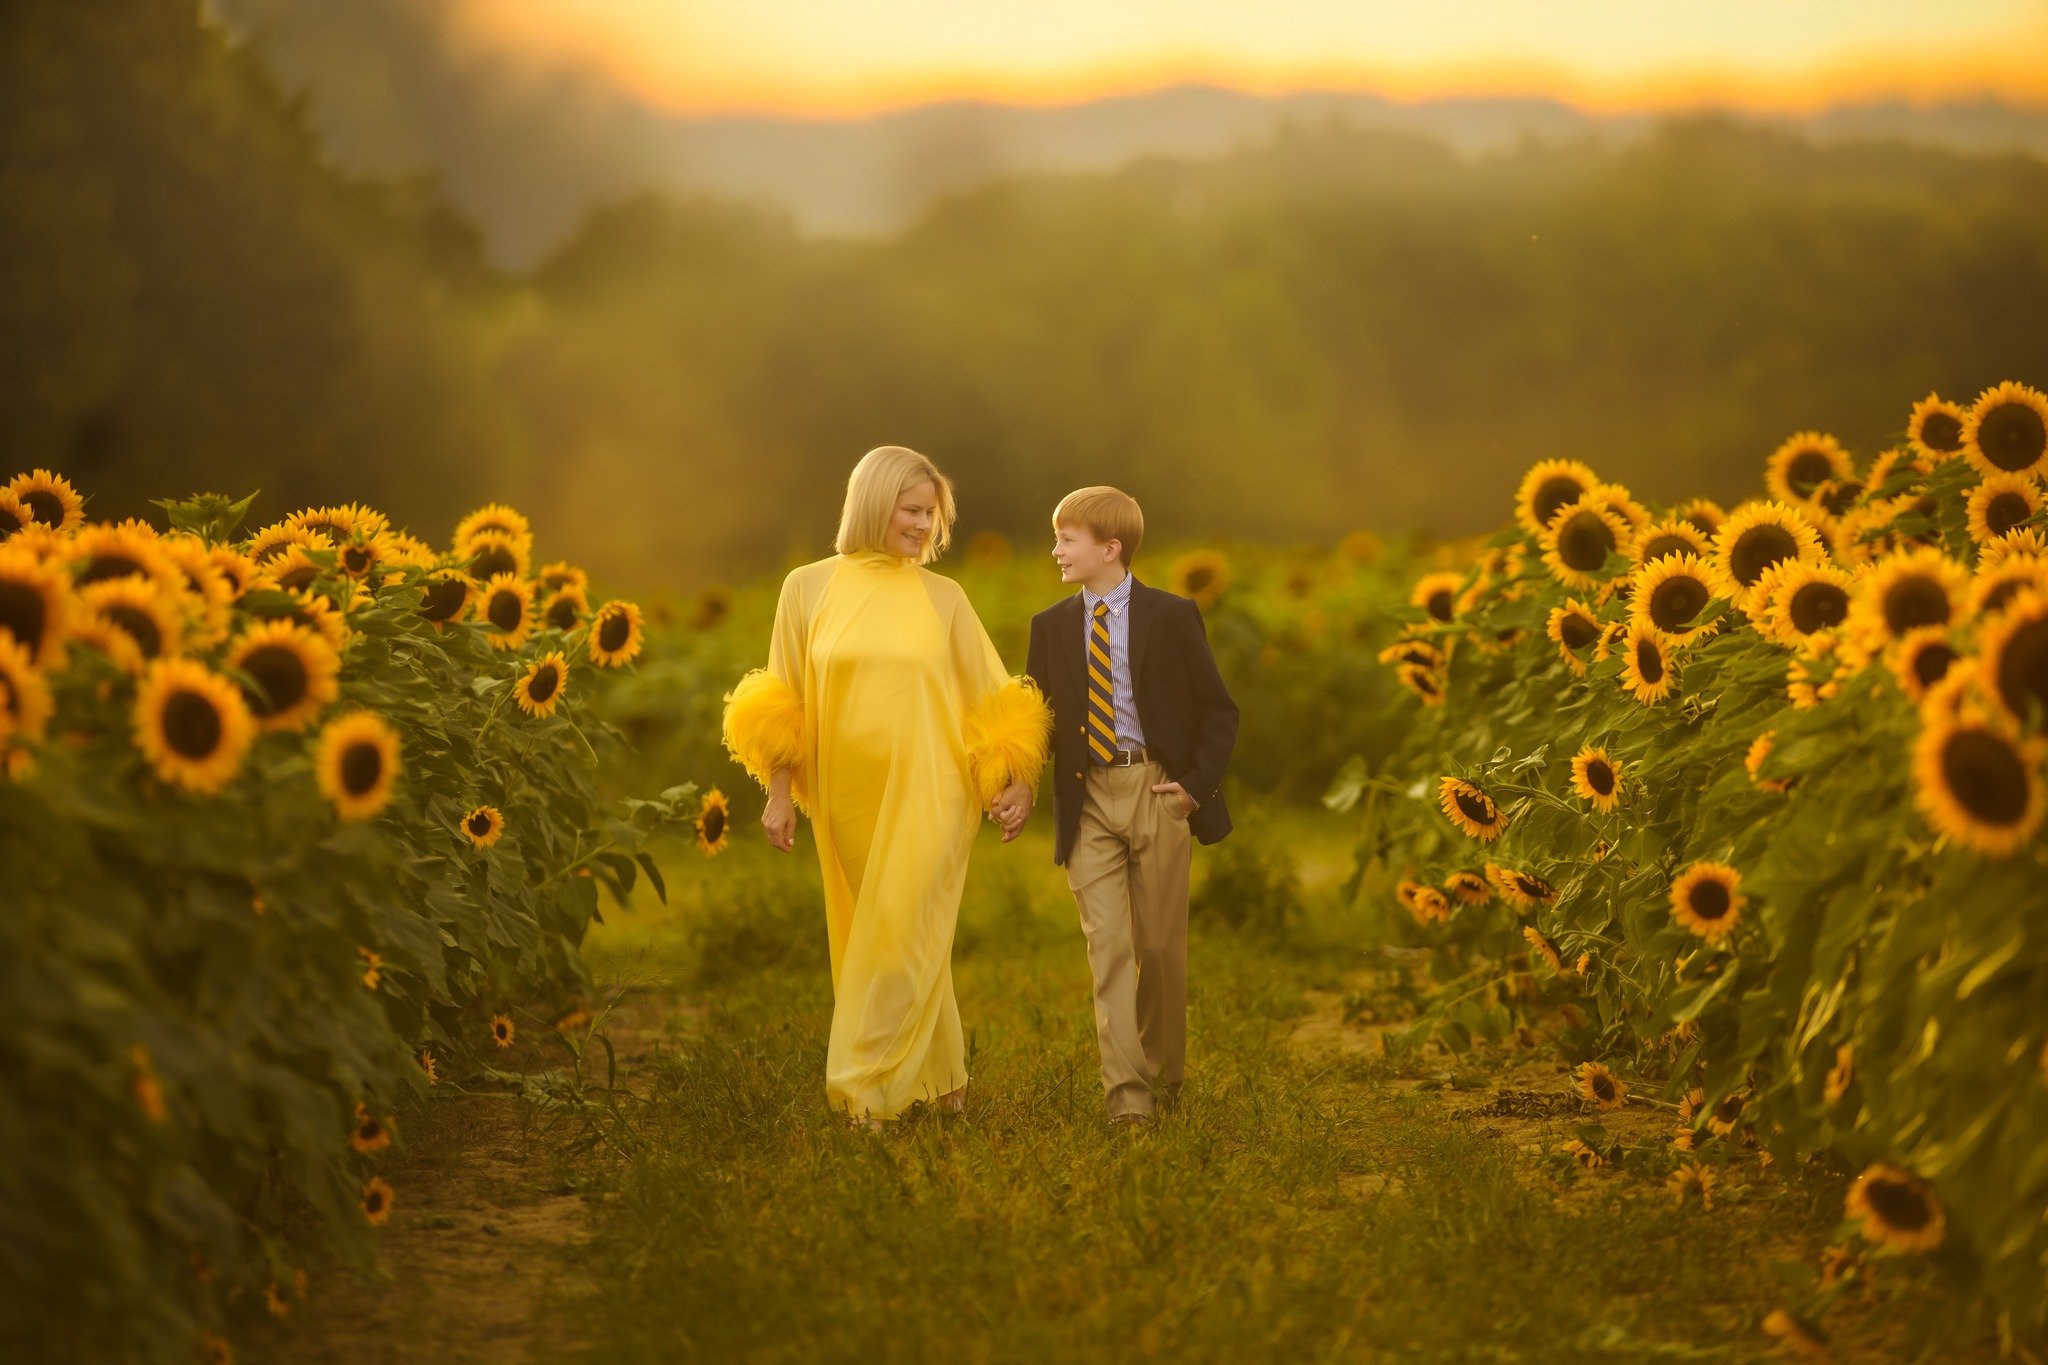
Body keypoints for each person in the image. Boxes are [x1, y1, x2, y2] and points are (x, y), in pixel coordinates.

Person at [721, 446, 1051, 1128]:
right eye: (912, 510)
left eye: (932, 514)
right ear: (873, 504)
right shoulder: (806, 588)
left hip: (933, 791)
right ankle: (945, 1082)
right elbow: (782, 698)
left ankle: (862, 1090)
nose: (924, 526)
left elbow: (994, 696)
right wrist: (778, 792)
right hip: (845, 796)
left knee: (903, 925)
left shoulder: (944, 597)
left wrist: (1015, 779)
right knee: (893, 933)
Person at [1002, 486, 1239, 1127]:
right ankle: (1128, 1102)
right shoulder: (1050, 625)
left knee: (1158, 948)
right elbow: (1038, 721)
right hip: (1086, 798)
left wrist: (1194, 786)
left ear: (1111, 548)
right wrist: (1020, 781)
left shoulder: (1173, 615)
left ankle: (1164, 1079)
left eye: (1067, 539)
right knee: (1107, 948)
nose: (1056, 551)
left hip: (1157, 791)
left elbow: (1218, 711)